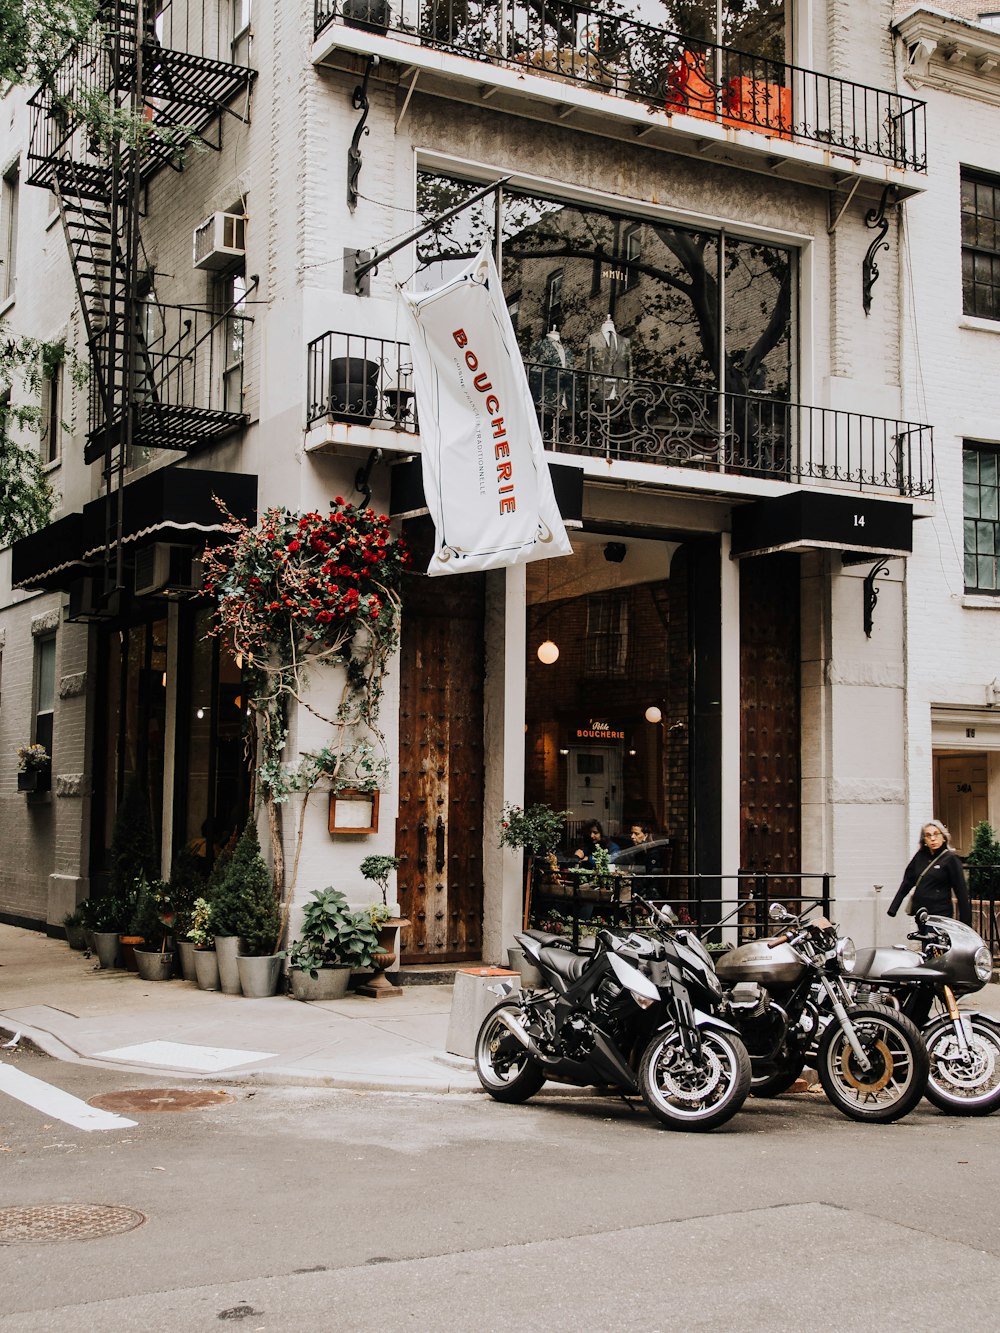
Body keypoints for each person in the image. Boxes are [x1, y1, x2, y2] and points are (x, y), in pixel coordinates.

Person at [887, 819, 971, 924]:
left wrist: (966, 923)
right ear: (924, 840)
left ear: (943, 837)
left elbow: (961, 890)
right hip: (921, 912)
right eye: (928, 835)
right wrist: (894, 908)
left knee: (935, 939)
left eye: (936, 834)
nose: (932, 839)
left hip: (940, 912)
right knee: (925, 940)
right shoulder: (920, 857)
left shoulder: (950, 859)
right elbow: (907, 882)